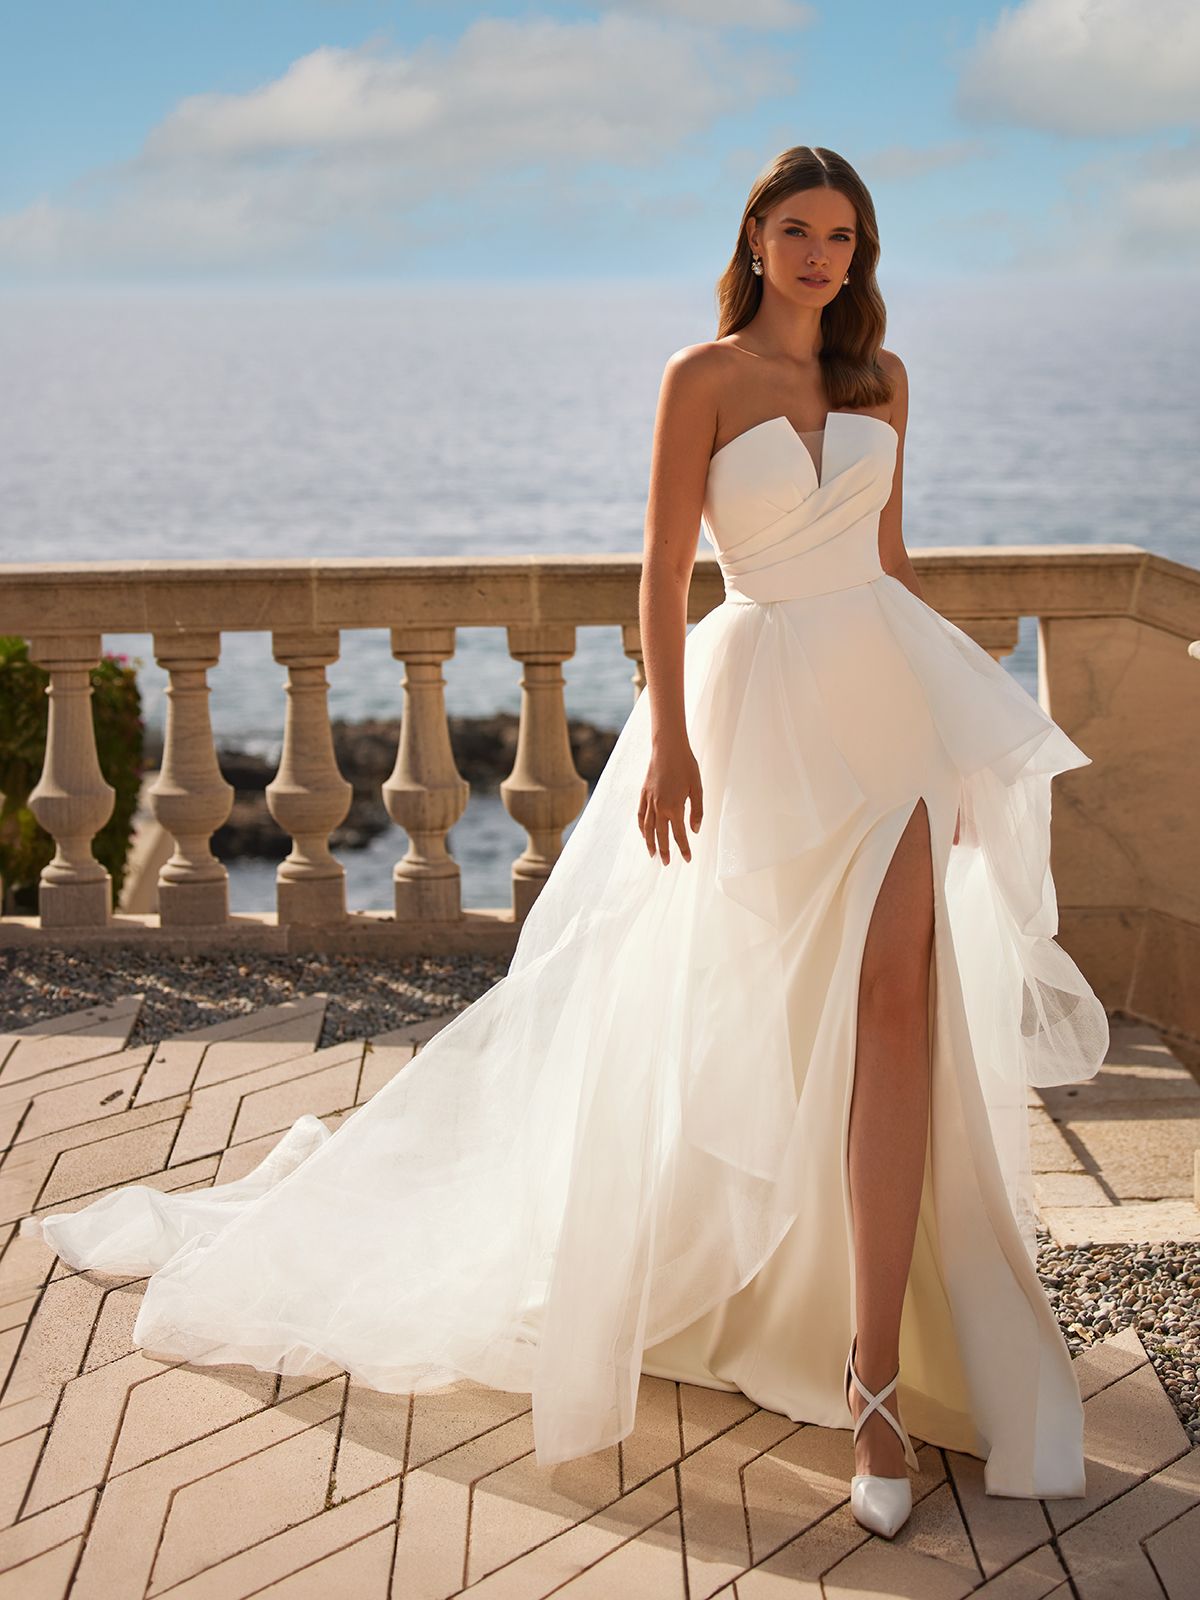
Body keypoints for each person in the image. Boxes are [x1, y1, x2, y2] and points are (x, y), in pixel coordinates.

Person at [20, 145, 1108, 1542]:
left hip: (887, 708)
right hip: (761, 707)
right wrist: (669, 743)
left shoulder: (882, 380)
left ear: (863, 249)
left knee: (902, 1010)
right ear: (756, 239)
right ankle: (731, 1276)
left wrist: (958, 734)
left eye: (842, 234)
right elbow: (658, 570)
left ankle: (875, 1377)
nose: (821, 255)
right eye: (797, 230)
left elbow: (892, 562)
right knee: (757, 1018)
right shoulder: (700, 380)